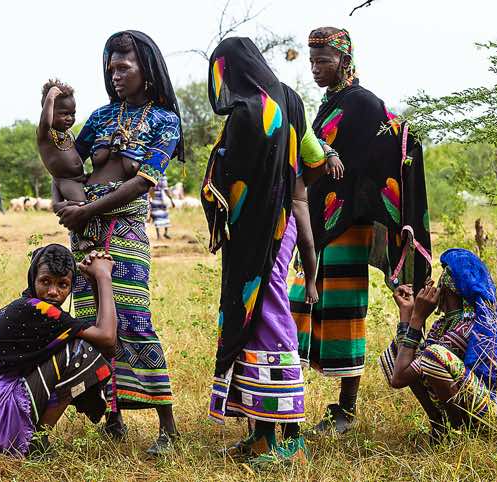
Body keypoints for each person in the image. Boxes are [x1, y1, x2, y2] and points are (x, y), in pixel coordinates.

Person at [288, 27, 432, 436]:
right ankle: (287, 404)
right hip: (318, 225)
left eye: (324, 61)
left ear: (345, 61)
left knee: (344, 311)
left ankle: (346, 410)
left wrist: (359, 199)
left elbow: (396, 142)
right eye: (312, 60)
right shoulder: (331, 102)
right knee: (300, 308)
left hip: (349, 224)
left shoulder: (363, 103)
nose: (316, 68)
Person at [55, 31, 182, 455]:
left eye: (124, 67)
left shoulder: (165, 120)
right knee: (93, 323)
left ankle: (167, 425)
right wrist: (63, 201)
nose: (115, 76)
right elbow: (68, 165)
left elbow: (145, 180)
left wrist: (88, 209)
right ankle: (113, 417)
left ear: (147, 70)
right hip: (84, 234)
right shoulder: (100, 118)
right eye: (111, 68)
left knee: (133, 319)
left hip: (125, 231)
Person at [202, 37, 323, 467]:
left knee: (268, 318)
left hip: (256, 236)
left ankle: (286, 438)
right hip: (283, 226)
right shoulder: (289, 101)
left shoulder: (244, 113)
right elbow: (313, 154)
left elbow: (228, 174)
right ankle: (260, 436)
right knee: (256, 321)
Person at [0, 244, 118, 456]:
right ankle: (36, 442)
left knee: (81, 348)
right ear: (33, 279)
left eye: (63, 285)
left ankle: (30, 437)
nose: (53, 292)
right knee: (80, 351)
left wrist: (93, 282)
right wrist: (103, 277)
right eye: (45, 282)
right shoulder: (37, 309)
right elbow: (108, 339)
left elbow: (105, 343)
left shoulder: (28, 306)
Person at [380, 249, 497, 442]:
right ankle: (440, 426)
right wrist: (407, 313)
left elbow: (399, 378)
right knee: (399, 350)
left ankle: (457, 434)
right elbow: (406, 363)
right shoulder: (444, 325)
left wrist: (417, 318)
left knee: (433, 356)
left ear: (447, 287)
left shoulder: (468, 326)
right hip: (479, 403)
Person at [36, 79, 93, 250]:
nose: (69, 118)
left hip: (79, 177)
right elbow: (45, 122)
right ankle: (80, 236)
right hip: (68, 181)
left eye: (72, 113)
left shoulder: (67, 134)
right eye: (63, 113)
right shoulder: (45, 135)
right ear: (49, 111)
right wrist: (50, 98)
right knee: (81, 206)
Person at [148, 175, 175, 239]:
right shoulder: (163, 176)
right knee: (164, 215)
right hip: (162, 199)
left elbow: (150, 188)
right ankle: (165, 233)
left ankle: (158, 235)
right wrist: (171, 200)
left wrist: (150, 198)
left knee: (156, 217)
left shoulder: (154, 173)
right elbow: (166, 189)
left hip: (155, 198)